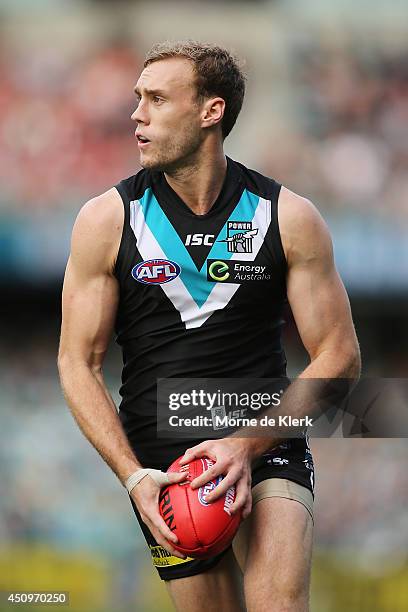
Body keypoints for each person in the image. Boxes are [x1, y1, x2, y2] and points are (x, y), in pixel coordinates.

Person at [58, 41, 361, 612]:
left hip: (264, 434)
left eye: (156, 99)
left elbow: (341, 358)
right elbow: (77, 363)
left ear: (210, 112)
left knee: (277, 604)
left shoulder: (288, 217)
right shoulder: (105, 220)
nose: (136, 114)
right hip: (162, 464)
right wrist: (133, 477)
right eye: (136, 98)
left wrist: (246, 445)